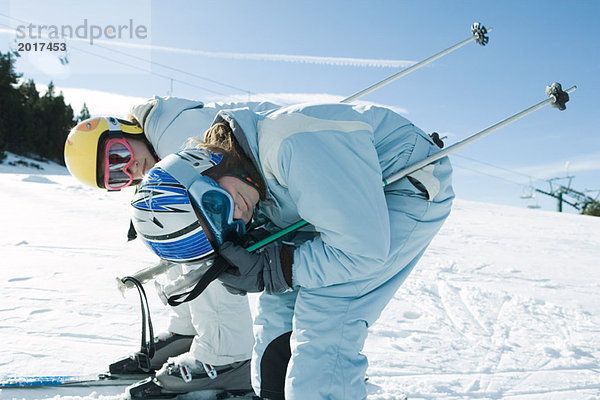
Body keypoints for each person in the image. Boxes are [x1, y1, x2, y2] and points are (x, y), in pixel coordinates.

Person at [130, 102, 455, 399]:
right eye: (222, 233)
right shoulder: (246, 175)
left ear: (202, 165)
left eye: (216, 206)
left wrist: (277, 267)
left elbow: (361, 251)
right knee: (278, 310)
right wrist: (264, 261)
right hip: (331, 202)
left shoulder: (289, 145)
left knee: (327, 315)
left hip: (406, 182)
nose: (238, 218)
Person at [63, 97, 280, 397]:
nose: (129, 170)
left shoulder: (176, 131)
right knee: (177, 236)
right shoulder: (158, 149)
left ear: (124, 129)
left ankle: (225, 358)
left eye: (117, 156)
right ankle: (187, 331)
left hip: (301, 173)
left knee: (204, 244)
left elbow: (213, 236)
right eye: (115, 177)